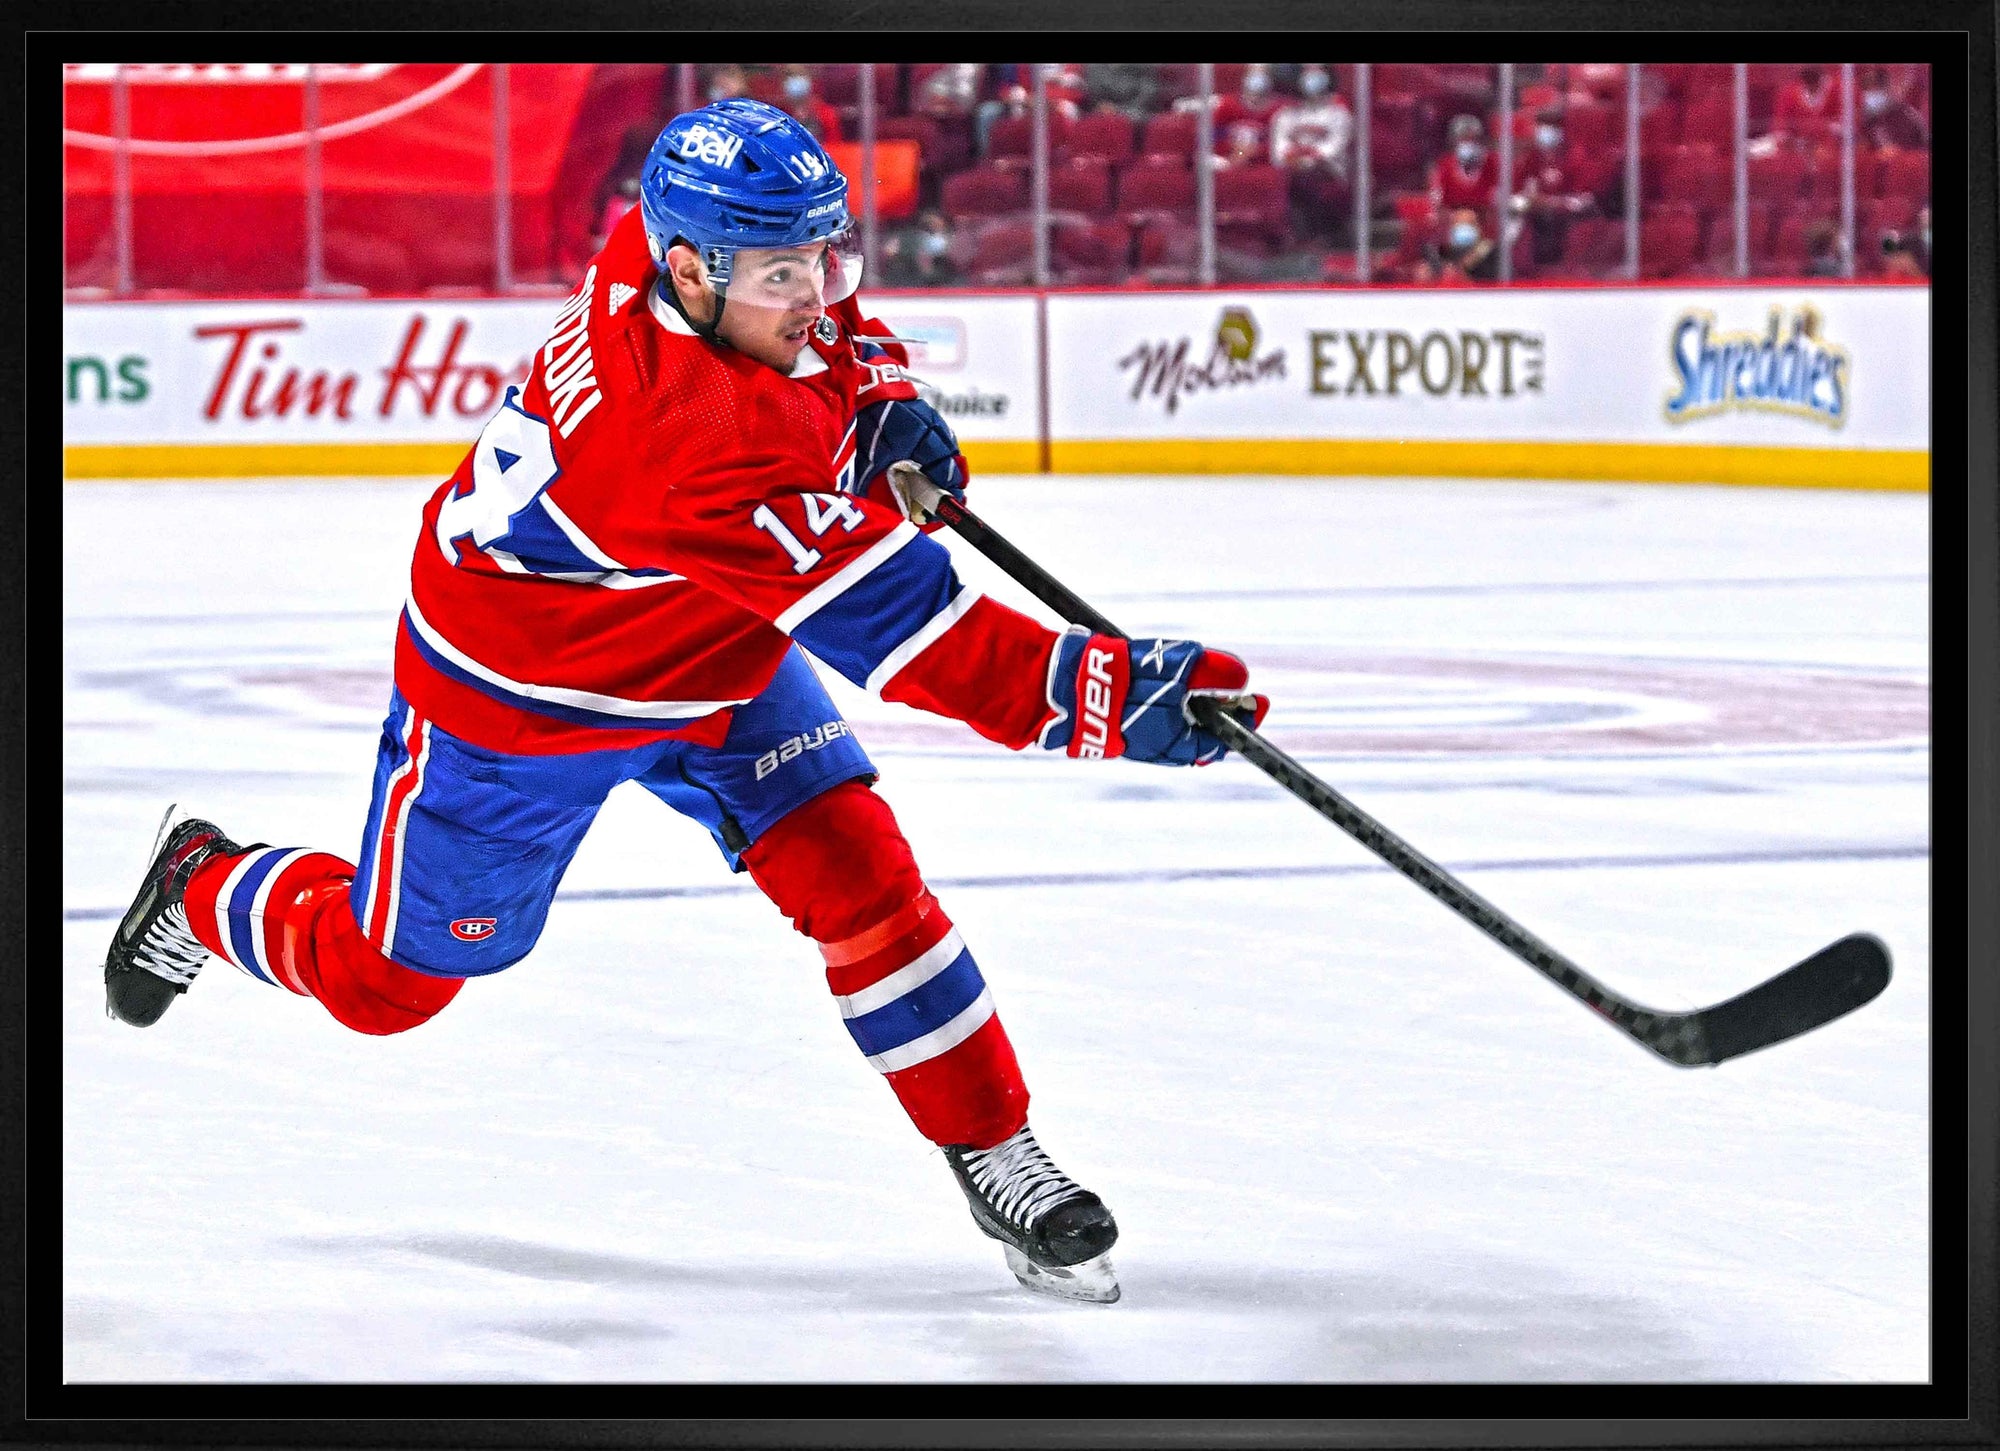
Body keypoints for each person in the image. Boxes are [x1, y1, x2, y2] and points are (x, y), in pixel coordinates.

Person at [100, 99, 1269, 1307]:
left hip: (711, 645)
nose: (815, 289)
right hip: (525, 703)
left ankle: (987, 1145)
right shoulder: (687, 436)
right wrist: (1112, 696)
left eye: (824, 252)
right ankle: (202, 878)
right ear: (689, 271)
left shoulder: (678, 257)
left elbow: (830, 331)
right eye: (783, 270)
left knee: (860, 874)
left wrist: (874, 394)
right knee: (387, 986)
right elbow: (928, 643)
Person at [1268, 64, 1353, 241]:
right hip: (1291, 172)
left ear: (1328, 77)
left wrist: (1307, 160)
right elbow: (1278, 152)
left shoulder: (1339, 114)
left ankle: (1319, 236)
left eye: (1317, 72)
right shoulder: (1285, 116)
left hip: (1329, 173)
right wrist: (1294, 160)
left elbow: (1333, 149)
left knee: (1306, 180)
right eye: (1307, 72)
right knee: (1277, 182)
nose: (1311, 77)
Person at [1515, 107, 1596, 269]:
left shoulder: (1575, 156)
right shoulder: (1532, 157)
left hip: (1567, 218)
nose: (1546, 132)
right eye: (1542, 126)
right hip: (1537, 216)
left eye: (1552, 127)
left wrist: (1552, 202)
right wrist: (1531, 200)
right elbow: (1519, 192)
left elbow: (1583, 199)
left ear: (1561, 131)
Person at [1429, 114, 1501, 224]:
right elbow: (1437, 200)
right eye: (1463, 139)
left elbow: (1499, 198)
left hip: (1485, 220)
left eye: (1473, 139)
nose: (1468, 143)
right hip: (1454, 221)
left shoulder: (1493, 163)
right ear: (1454, 142)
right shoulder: (1444, 165)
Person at [877, 208, 960, 287]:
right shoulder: (898, 274)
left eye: (937, 232)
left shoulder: (952, 273)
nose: (929, 238)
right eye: (927, 230)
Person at [1772, 64, 1840, 149]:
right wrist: (1798, 144)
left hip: (1831, 147)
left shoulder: (1839, 88)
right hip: (1799, 147)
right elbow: (1780, 130)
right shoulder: (1789, 93)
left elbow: (1848, 128)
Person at [777, 65, 842, 143]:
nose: (795, 79)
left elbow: (835, 147)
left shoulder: (826, 114)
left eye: (800, 74)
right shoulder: (777, 113)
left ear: (809, 78)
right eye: (790, 75)